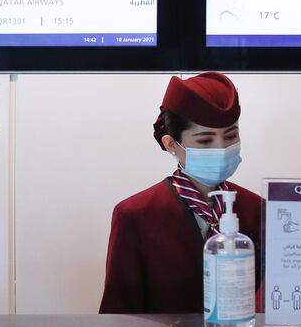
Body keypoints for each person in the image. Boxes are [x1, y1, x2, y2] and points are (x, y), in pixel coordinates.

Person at [99, 72, 263, 313]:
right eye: (205, 141)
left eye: (231, 136)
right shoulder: (136, 215)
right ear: (171, 144)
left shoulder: (258, 209)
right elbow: (118, 315)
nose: (222, 148)